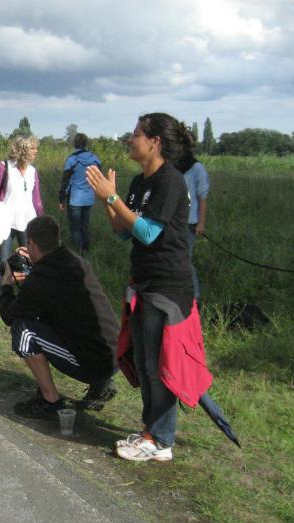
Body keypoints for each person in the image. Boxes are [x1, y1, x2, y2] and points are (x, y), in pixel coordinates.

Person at [86, 113, 218, 462]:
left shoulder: (169, 181)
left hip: (167, 286)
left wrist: (112, 199)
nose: (130, 140)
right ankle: (153, 435)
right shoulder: (138, 182)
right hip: (144, 282)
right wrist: (108, 199)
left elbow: (148, 233)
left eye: (136, 134)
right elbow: (123, 232)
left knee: (160, 366)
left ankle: (159, 439)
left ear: (154, 142)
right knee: (145, 363)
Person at [0, 216, 119, 418]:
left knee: (23, 330)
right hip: (113, 354)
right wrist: (35, 266)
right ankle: (100, 384)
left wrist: (7, 284)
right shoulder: (76, 261)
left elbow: (9, 315)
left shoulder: (41, 279)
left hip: (95, 363)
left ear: (31, 243)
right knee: (59, 322)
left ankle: (50, 401)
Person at [0, 134, 43, 311]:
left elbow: (37, 200)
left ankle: (27, 297)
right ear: (23, 149)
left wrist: (42, 221)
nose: (36, 151)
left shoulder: (33, 171)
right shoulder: (4, 167)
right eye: (33, 148)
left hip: (29, 222)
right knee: (3, 260)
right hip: (6, 222)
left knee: (30, 261)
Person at [174, 137, 209, 300]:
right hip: (172, 222)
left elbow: (202, 197)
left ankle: (194, 296)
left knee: (184, 260)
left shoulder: (197, 168)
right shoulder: (173, 167)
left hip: (189, 223)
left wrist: (201, 222)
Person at [59, 133, 101, 253]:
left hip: (75, 199)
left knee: (75, 228)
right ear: (86, 143)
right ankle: (86, 250)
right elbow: (98, 177)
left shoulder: (72, 159)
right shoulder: (95, 159)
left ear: (75, 144)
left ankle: (77, 253)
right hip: (89, 198)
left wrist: (61, 199)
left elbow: (65, 181)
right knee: (85, 225)